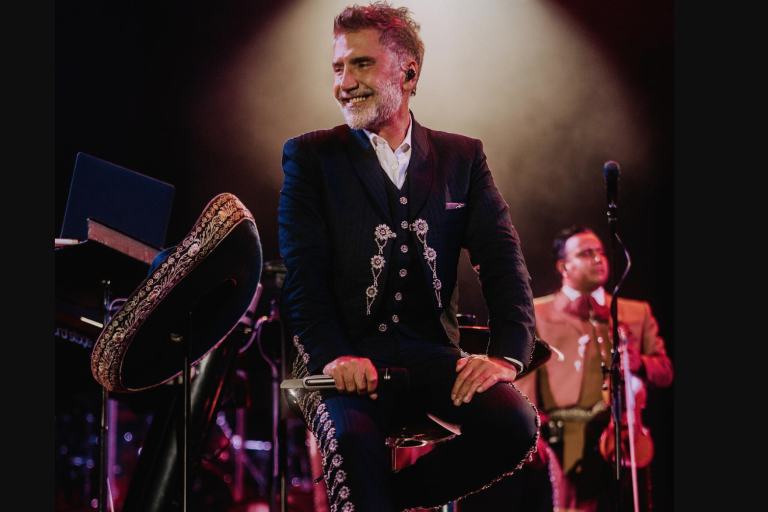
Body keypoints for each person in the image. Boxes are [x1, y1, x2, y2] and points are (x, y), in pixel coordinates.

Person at [277, 2, 540, 511]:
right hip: (340, 357)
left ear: (409, 72)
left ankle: (390, 503)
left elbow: (503, 260)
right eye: (338, 67)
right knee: (352, 442)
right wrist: (334, 354)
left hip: (430, 355)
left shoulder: (462, 157)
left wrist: (507, 356)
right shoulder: (311, 157)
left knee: (514, 425)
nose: (344, 83)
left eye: (361, 64)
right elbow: (303, 275)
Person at [512, 225, 674, 512]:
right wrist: (530, 432)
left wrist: (640, 362)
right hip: (566, 436)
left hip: (625, 433)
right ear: (563, 266)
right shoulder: (537, 313)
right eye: (586, 253)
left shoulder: (636, 311)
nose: (598, 259)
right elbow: (522, 380)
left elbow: (665, 371)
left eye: (600, 252)